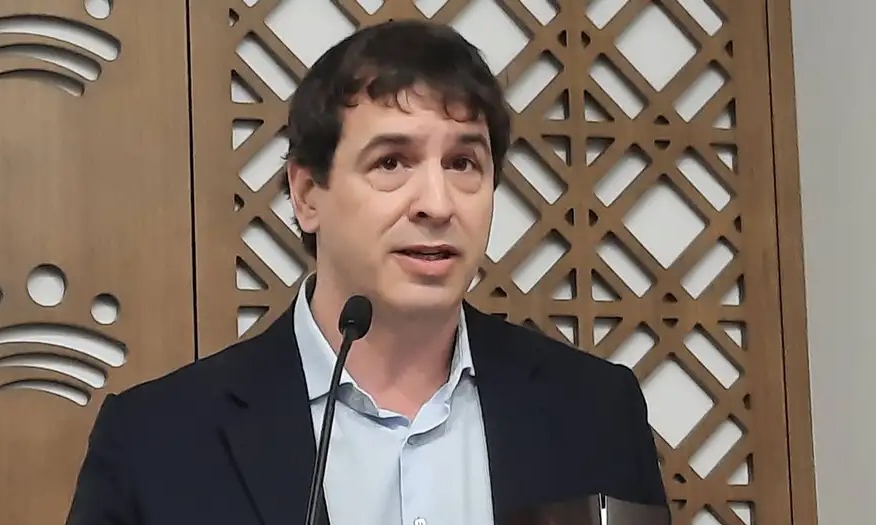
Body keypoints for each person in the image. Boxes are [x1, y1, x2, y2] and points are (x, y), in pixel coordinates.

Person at [65, 19, 668, 525]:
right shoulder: (156, 440)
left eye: (463, 163)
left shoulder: (594, 411)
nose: (437, 204)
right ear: (307, 194)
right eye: (392, 163)